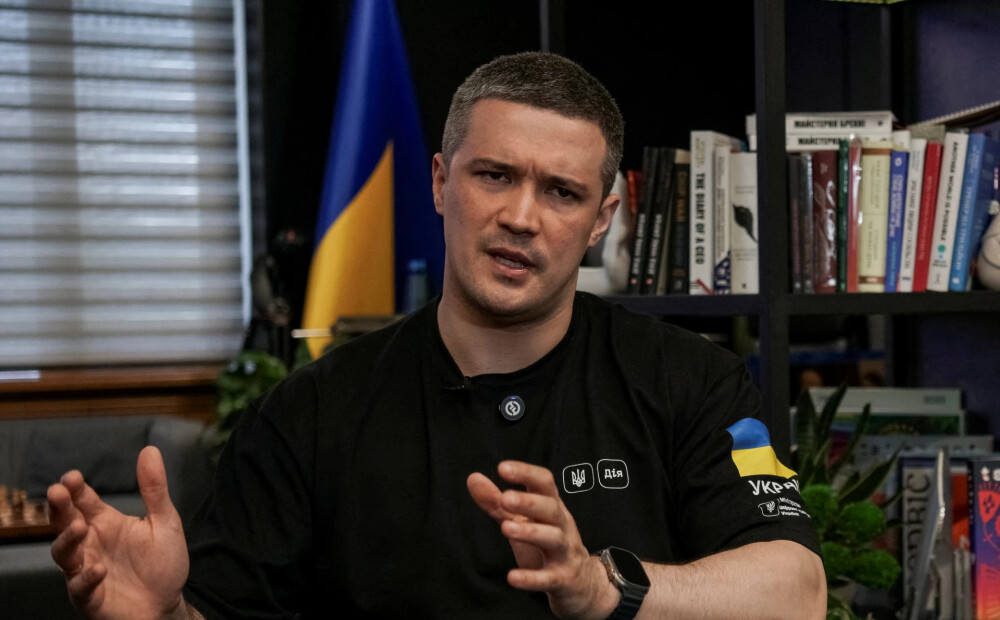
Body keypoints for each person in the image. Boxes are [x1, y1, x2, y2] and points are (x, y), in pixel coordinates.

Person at [47, 51, 826, 620]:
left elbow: (797, 592)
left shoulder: (691, 381)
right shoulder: (309, 414)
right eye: (495, 175)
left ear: (602, 220)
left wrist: (600, 588)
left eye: (561, 191)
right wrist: (162, 612)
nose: (521, 216)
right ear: (439, 182)